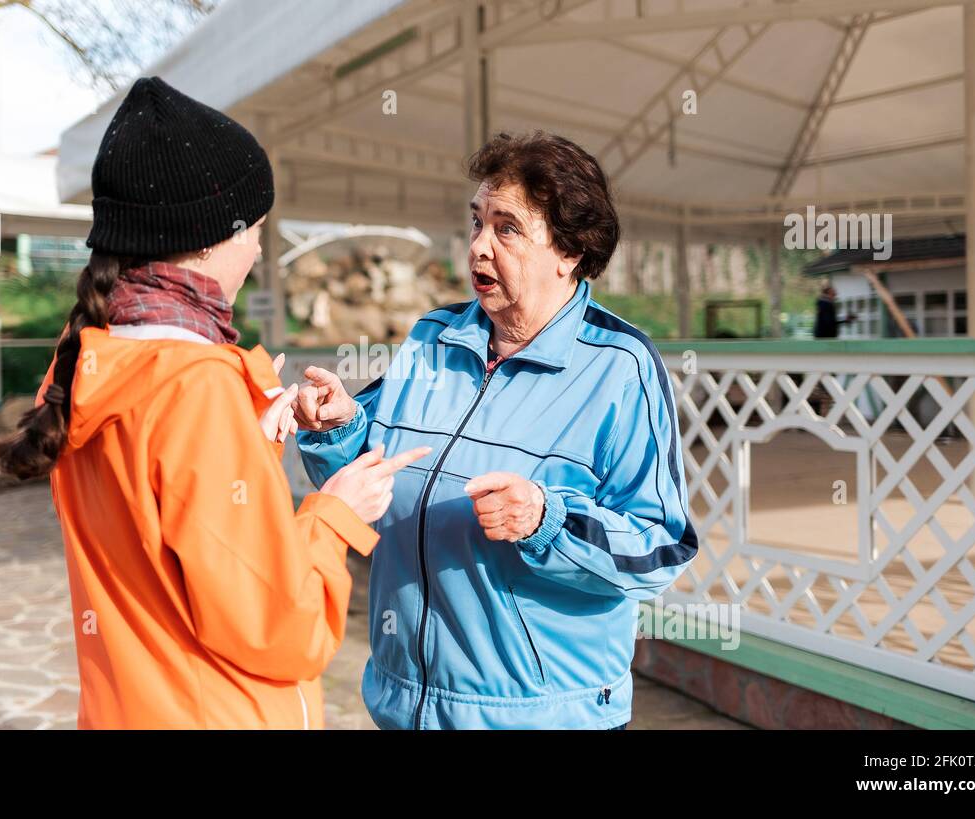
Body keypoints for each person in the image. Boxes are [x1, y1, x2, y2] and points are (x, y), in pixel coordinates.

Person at [0, 77, 428, 729]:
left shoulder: (87, 359)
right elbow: (279, 626)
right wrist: (335, 514)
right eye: (256, 229)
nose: (258, 247)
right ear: (212, 237)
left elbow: (161, 532)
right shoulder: (197, 388)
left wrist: (247, 442)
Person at [295, 131, 698, 730]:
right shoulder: (432, 338)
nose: (479, 247)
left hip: (542, 716)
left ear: (570, 252)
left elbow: (660, 548)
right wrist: (339, 427)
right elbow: (371, 472)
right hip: (404, 705)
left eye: (507, 229)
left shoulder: (621, 367)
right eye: (477, 222)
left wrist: (546, 520)